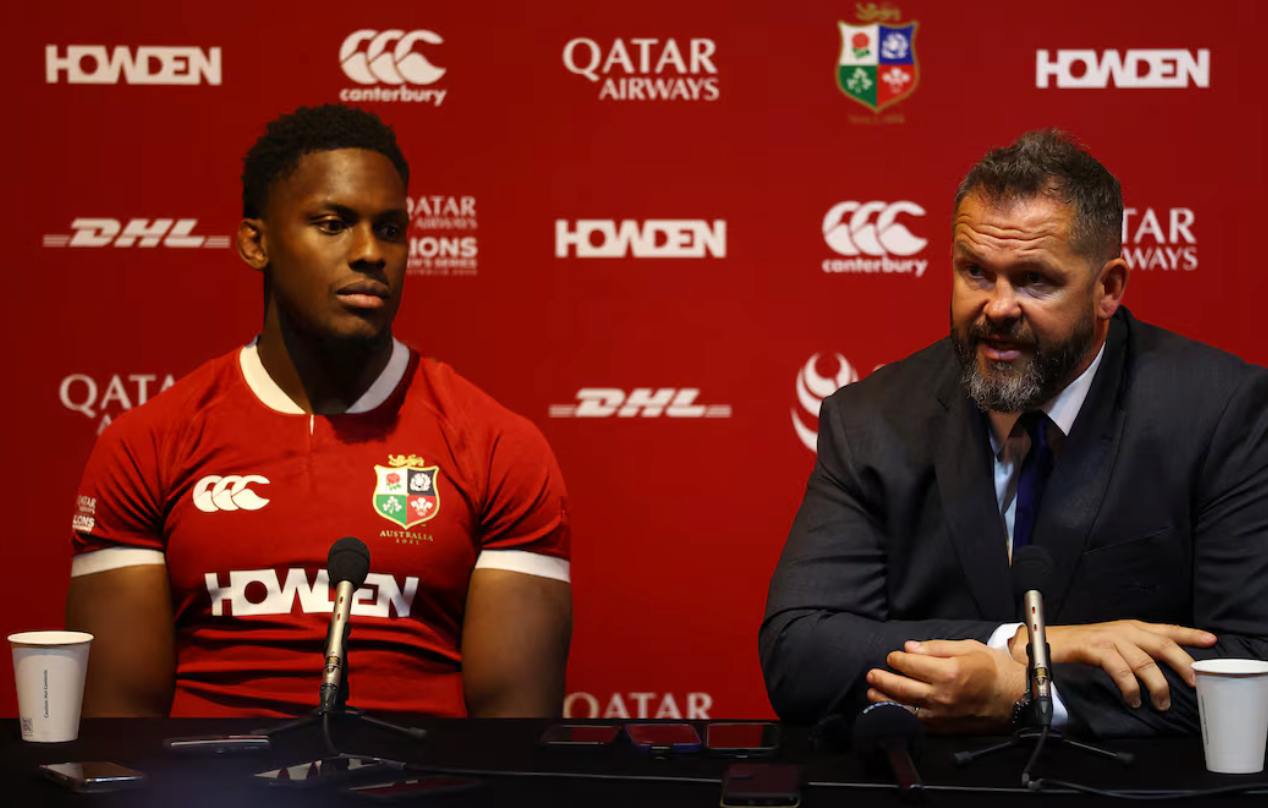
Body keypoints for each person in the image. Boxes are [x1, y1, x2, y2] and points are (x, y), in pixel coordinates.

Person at [65, 105, 572, 718]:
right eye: (334, 224)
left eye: (390, 229)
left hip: (420, 774)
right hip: (212, 773)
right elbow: (118, 731)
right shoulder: (147, 443)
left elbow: (512, 738)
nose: (370, 253)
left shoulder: (499, 447)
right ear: (256, 243)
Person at [760, 129, 1268, 737]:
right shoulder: (870, 419)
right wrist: (1025, 647)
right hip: (927, 780)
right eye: (976, 272)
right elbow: (800, 651)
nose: (998, 307)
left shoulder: (1221, 413)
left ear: (1107, 289)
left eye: (1033, 280)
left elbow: (1252, 661)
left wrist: (1026, 693)